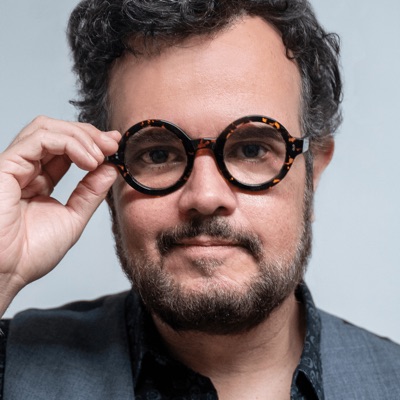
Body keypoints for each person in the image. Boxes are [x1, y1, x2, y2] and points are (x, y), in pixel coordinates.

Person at [0, 0, 399, 399]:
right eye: (158, 154)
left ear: (313, 171)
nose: (205, 196)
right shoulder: (11, 367)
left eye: (252, 149)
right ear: (107, 175)